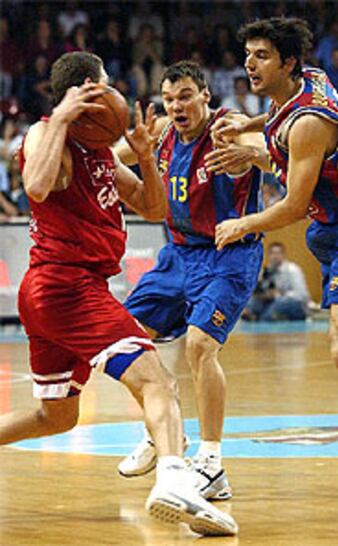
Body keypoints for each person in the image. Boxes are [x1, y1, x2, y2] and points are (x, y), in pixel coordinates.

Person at [0, 51, 237, 537]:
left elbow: (153, 208)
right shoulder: (49, 133)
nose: (115, 94)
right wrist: (62, 115)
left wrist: (147, 156)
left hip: (57, 290)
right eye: (106, 85)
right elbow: (38, 187)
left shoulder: (99, 149)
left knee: (56, 415)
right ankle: (175, 478)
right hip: (67, 285)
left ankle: (174, 476)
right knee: (158, 382)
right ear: (89, 90)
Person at [210, 17, 338, 517]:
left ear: (287, 63)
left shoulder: (308, 124)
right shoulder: (312, 80)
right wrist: (247, 128)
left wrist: (244, 224)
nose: (249, 64)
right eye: (248, 54)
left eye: (261, 56)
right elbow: (280, 124)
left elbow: (294, 203)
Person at [115, 60, 267, 500]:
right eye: (169, 98)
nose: (177, 105)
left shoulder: (229, 126)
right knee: (124, 342)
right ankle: (167, 429)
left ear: (205, 96)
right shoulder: (160, 133)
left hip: (228, 254)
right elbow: (106, 158)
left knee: (200, 345)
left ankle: (213, 463)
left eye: (186, 96)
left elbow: (270, 150)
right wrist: (61, 144)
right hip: (179, 255)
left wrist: (255, 153)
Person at [242, 242, 309, 322]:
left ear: (283, 255)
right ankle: (254, 316)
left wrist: (279, 295)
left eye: (278, 253)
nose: (275, 256)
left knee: (272, 310)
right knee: (252, 303)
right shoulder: (267, 271)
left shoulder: (292, 270)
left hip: (293, 303)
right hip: (273, 301)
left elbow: (302, 295)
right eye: (272, 253)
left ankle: (261, 318)